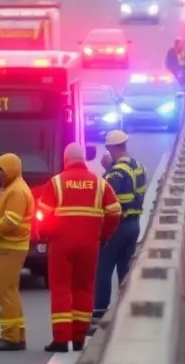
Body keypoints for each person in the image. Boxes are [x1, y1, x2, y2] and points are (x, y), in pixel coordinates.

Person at [35, 143, 122, 352]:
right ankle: (79, 338)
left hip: (61, 244)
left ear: (66, 160)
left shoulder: (56, 183)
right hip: (90, 244)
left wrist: (46, 233)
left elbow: (42, 214)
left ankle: (61, 339)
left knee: (61, 288)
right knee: (84, 287)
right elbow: (115, 211)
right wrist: (103, 234)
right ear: (84, 159)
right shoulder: (99, 183)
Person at [92, 131, 148, 329]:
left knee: (104, 267)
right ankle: (127, 309)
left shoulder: (115, 172)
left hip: (118, 225)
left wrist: (107, 171)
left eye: (108, 148)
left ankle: (99, 313)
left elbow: (106, 195)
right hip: (134, 224)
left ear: (112, 148)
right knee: (125, 269)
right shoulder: (137, 166)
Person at [0, 153, 35, 351]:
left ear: (11, 170)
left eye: (1, 169)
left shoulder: (17, 191)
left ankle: (10, 336)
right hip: (10, 246)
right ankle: (17, 334)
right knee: (10, 291)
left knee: (4, 292)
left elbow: (10, 222)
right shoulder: (12, 187)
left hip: (11, 247)